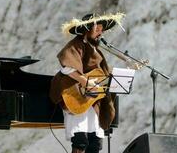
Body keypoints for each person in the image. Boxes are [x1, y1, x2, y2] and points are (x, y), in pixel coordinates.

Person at [49, 13, 125, 153]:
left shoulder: (97, 50)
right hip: (76, 95)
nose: (100, 33)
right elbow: (67, 67)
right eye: (97, 29)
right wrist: (84, 81)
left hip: (92, 101)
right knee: (80, 142)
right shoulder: (75, 45)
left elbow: (102, 75)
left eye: (101, 30)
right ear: (87, 29)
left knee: (95, 144)